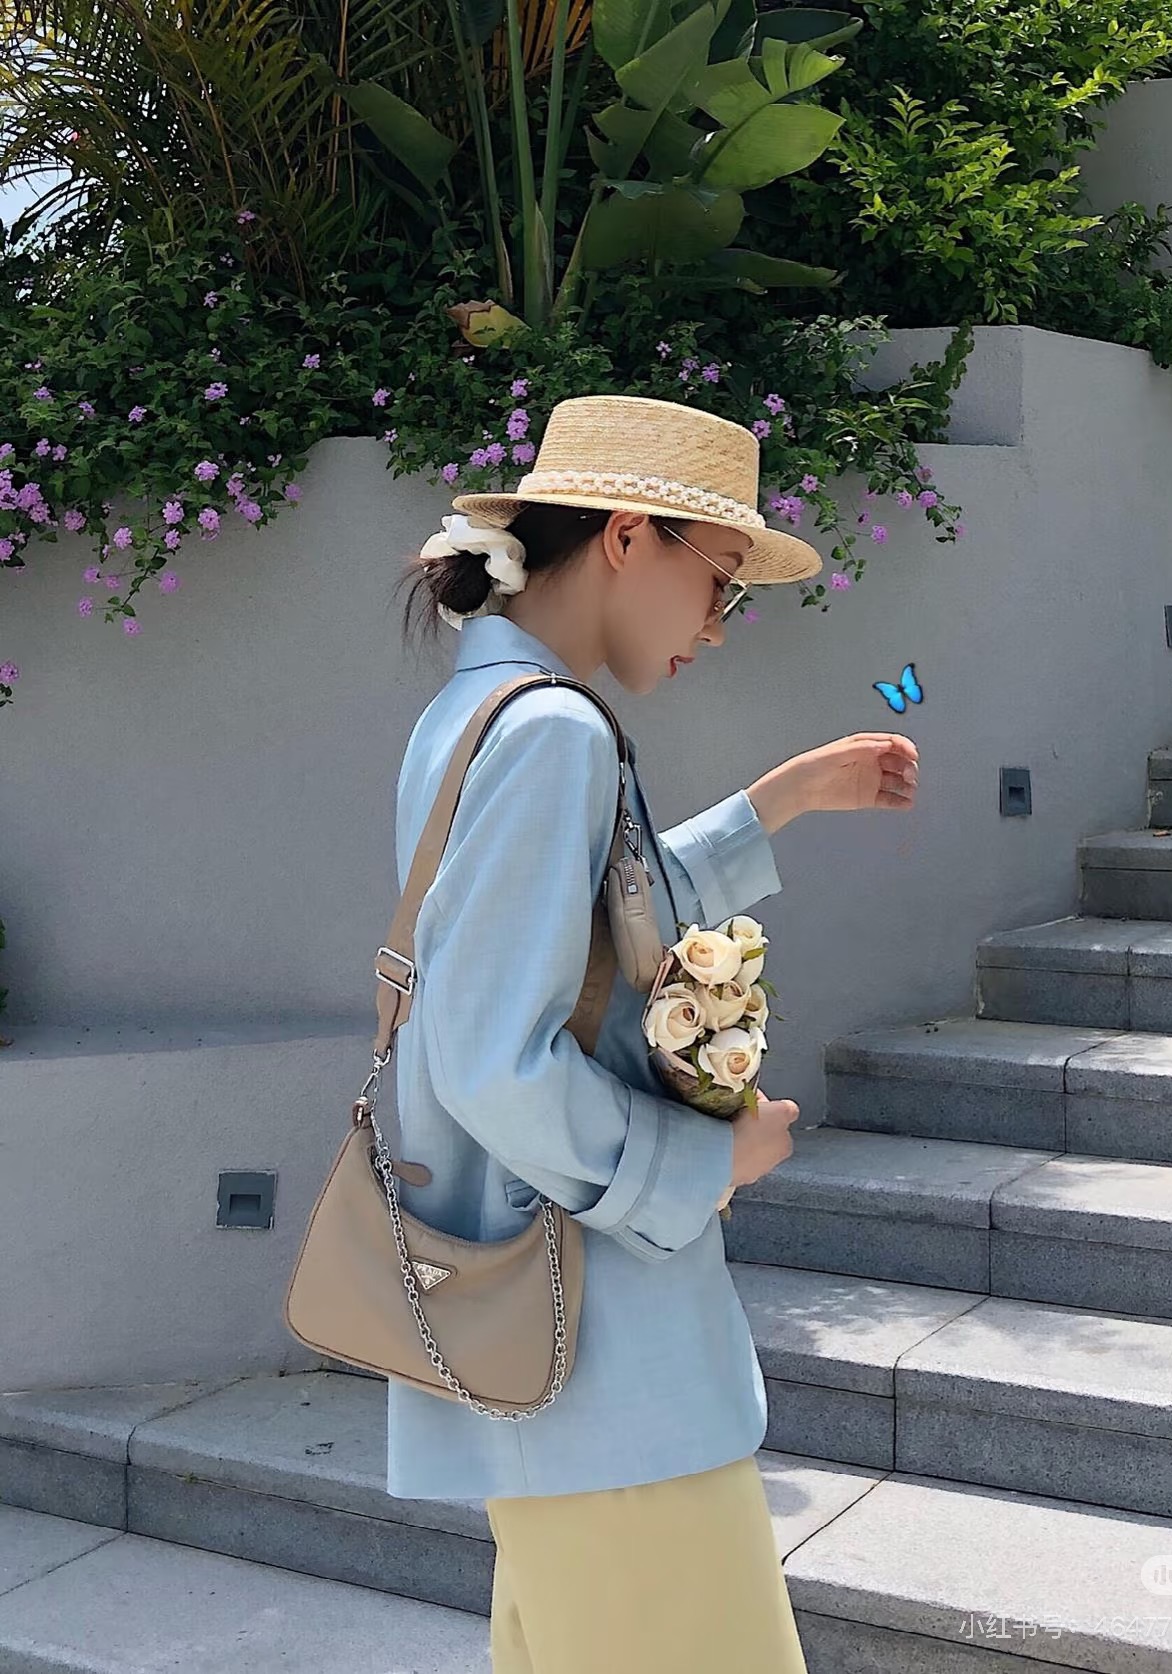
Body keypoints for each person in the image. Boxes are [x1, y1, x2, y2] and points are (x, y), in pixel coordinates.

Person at [385, 394, 918, 1673]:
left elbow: (581, 925)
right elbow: (491, 1058)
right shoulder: (551, 730)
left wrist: (780, 800)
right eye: (719, 580)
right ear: (628, 536)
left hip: (554, 1366)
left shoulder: (486, 709)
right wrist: (704, 1162)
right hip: (605, 1371)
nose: (717, 626)